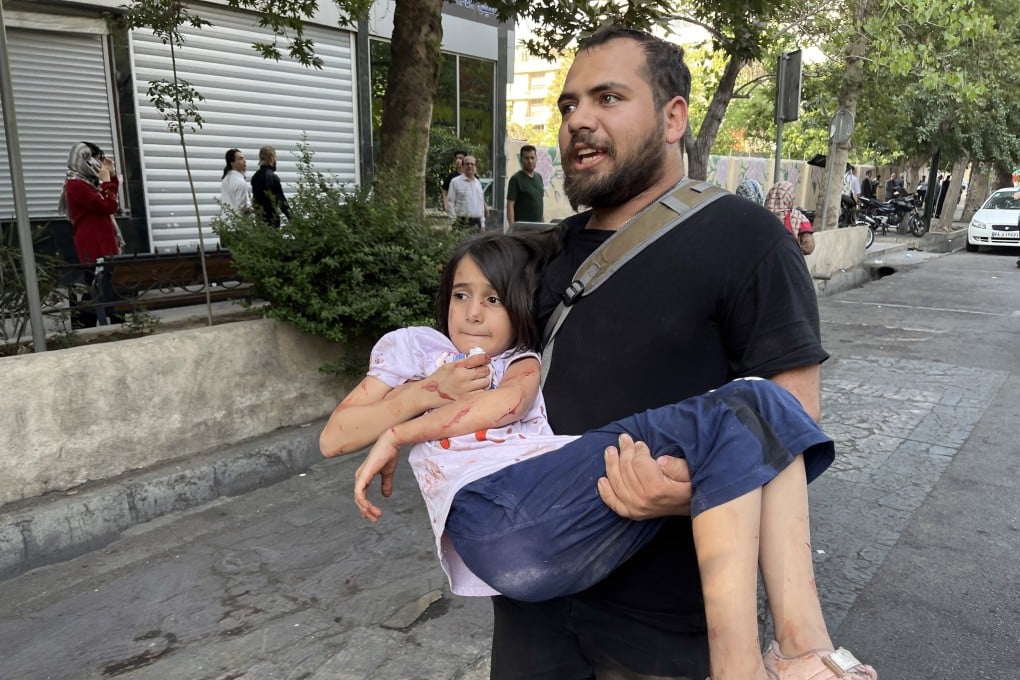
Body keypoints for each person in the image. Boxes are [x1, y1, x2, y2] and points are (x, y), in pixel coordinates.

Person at [321, 234, 875, 680]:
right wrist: (421, 397)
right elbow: (336, 435)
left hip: (556, 523)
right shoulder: (414, 348)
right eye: (460, 295)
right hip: (494, 514)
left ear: (517, 308)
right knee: (751, 402)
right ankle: (751, 667)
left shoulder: (521, 361)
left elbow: (506, 408)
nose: (470, 312)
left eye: (492, 299)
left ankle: (799, 651)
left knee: (758, 412)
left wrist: (400, 433)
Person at [508, 26, 831, 679]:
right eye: (570, 105)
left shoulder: (748, 241)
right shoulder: (539, 253)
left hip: (661, 621)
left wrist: (685, 491)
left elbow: (789, 429)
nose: (580, 121)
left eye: (608, 98)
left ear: (674, 116)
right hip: (529, 593)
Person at [57, 141, 125, 326]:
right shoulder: (76, 185)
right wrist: (107, 181)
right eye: (97, 158)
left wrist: (110, 176)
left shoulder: (88, 183)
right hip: (93, 243)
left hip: (102, 240)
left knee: (108, 283)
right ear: (84, 158)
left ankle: (108, 321)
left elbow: (109, 201)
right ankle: (85, 323)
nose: (99, 162)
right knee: (96, 284)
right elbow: (108, 205)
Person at [765, 181, 815, 256]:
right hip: (787, 263)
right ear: (790, 197)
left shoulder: (762, 215)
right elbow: (809, 247)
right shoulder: (798, 217)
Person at [446, 154, 489, 232]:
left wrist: (482, 224)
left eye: (472, 164)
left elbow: (481, 205)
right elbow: (450, 203)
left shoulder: (478, 183)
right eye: (467, 164)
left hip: (477, 223)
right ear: (463, 166)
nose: (470, 166)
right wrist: (453, 222)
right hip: (461, 223)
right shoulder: (455, 182)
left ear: (475, 167)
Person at [251, 145, 289, 227]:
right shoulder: (272, 177)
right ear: (272, 158)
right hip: (272, 220)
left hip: (259, 220)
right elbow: (281, 200)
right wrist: (292, 218)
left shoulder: (255, 177)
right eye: (275, 157)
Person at [506, 145, 545, 225]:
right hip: (522, 229)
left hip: (538, 228)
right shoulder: (516, 179)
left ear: (536, 158)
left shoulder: (539, 177)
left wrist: (543, 224)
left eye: (532, 158)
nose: (530, 161)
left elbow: (539, 203)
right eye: (526, 158)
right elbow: (510, 205)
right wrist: (512, 227)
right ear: (521, 160)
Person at [219, 148, 251, 214]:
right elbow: (242, 209)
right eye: (240, 159)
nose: (244, 161)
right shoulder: (240, 182)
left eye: (243, 158)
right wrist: (255, 209)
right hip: (238, 222)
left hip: (226, 219)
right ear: (232, 163)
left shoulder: (226, 179)